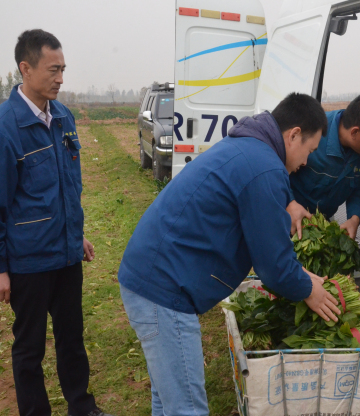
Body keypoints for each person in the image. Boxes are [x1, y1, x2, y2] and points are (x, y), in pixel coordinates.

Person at [118, 93, 341, 415]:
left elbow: (262, 238)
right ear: (293, 135)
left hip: (153, 276)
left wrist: (299, 270)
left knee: (168, 400)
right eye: (309, 150)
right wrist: (308, 290)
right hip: (162, 290)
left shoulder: (249, 149)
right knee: (186, 409)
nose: (307, 161)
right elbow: (274, 267)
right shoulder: (263, 166)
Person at [0, 30, 111, 416]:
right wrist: (1, 268)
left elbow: (67, 187)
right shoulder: (6, 127)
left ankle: (82, 407)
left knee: (72, 339)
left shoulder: (63, 116)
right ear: (25, 69)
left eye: (63, 69)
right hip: (28, 262)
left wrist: (76, 237)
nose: (61, 78)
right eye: (53, 70)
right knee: (29, 348)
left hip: (66, 256)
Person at [287, 93, 360, 239]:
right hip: (288, 217)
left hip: (320, 224)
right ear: (355, 132)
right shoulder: (314, 130)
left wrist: (354, 219)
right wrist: (289, 202)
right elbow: (279, 170)